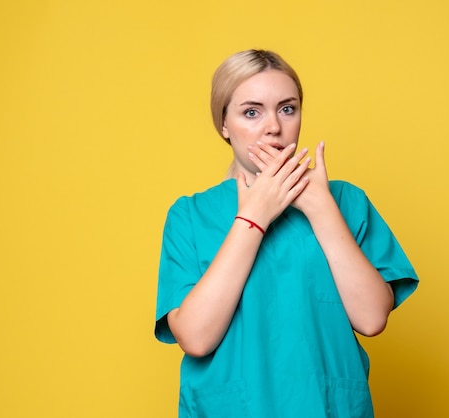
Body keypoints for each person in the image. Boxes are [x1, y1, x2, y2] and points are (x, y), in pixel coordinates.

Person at [155, 49, 419, 418]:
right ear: (223, 124)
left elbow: (373, 318)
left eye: (287, 108)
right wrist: (254, 217)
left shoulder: (346, 202)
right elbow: (196, 338)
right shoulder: (190, 215)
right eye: (251, 112)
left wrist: (320, 208)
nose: (273, 127)